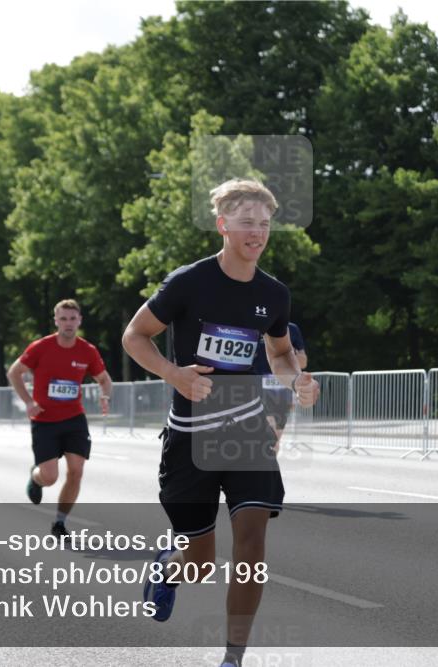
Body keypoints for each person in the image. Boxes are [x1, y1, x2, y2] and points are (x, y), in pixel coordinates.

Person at [122, 178, 319, 667]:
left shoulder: (274, 294)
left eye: (265, 224)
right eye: (247, 222)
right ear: (223, 225)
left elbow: (278, 353)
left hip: (247, 433)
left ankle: (233, 658)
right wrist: (174, 373)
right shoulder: (189, 282)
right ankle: (169, 567)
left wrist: (296, 381)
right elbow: (134, 336)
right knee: (200, 564)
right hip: (190, 439)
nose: (257, 232)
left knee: (252, 544)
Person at [7, 299, 112, 538]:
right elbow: (15, 372)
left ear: (79, 321)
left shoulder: (87, 351)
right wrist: (29, 402)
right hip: (44, 421)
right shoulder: (41, 347)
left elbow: (104, 379)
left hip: (74, 419)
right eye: (63, 319)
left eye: (72, 319)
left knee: (76, 471)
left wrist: (105, 395)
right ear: (56, 321)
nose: (68, 323)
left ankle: (60, 523)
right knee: (50, 477)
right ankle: (36, 477)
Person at [250, 321, 306, 451]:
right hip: (258, 385)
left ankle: (271, 468)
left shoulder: (291, 329)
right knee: (270, 433)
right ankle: (264, 467)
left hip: (283, 390)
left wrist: (289, 353)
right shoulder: (255, 324)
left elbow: (303, 362)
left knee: (276, 439)